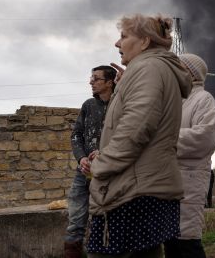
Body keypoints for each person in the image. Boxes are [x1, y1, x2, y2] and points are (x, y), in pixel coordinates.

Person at [85, 13, 192, 258]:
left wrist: (102, 164)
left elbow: (136, 128)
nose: (117, 43)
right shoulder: (152, 68)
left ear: (144, 42)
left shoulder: (148, 68)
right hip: (146, 186)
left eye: (123, 36)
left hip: (132, 192)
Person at [163, 53, 215, 258]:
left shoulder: (203, 99)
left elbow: (207, 137)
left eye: (176, 66)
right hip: (167, 180)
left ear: (189, 72)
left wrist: (164, 140)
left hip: (189, 180)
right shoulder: (174, 99)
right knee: (170, 241)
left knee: (187, 242)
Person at [64, 65, 116, 258]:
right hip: (83, 173)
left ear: (109, 83)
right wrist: (82, 158)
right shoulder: (88, 105)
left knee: (102, 221)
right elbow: (76, 134)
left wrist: (104, 154)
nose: (91, 82)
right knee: (75, 223)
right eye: (91, 78)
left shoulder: (119, 105)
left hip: (108, 174)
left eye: (96, 79)